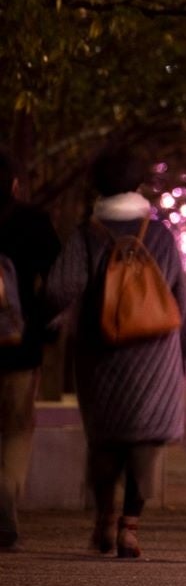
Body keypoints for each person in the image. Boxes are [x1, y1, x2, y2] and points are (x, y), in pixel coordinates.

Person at [45, 145, 186, 558]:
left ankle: (104, 520)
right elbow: (181, 297)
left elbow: (59, 288)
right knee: (145, 441)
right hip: (154, 355)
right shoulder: (160, 235)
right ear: (138, 184)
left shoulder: (88, 233)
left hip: (101, 353)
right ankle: (130, 526)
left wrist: (58, 319)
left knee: (105, 439)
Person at [0, 150, 62, 550]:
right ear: (13, 185)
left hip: (22, 346)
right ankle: (5, 508)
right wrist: (43, 327)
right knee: (16, 430)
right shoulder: (32, 222)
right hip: (19, 348)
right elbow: (57, 282)